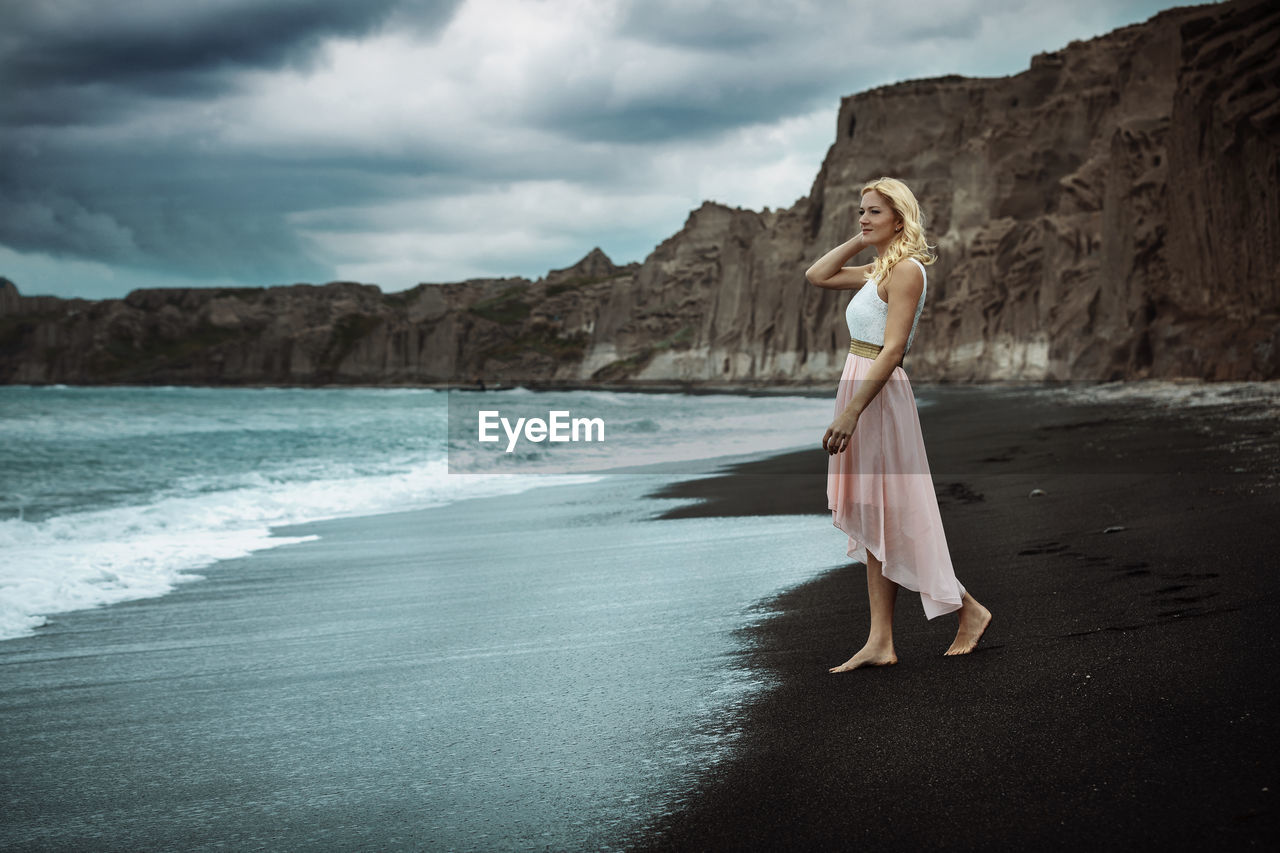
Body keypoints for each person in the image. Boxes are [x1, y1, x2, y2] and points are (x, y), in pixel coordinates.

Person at [805, 177, 992, 673]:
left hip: (877, 394)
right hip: (859, 383)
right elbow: (818, 275)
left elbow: (893, 349)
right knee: (872, 512)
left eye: (873, 213)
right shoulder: (877, 267)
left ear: (899, 217)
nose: (863, 219)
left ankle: (968, 609)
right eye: (861, 211)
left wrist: (851, 411)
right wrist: (862, 241)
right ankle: (880, 642)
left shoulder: (906, 270)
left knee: (894, 511)